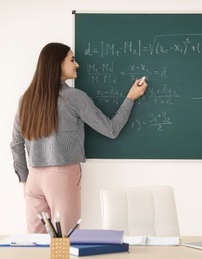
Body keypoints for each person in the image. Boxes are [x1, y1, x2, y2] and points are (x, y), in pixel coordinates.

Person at [10, 42, 147, 234]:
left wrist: (24, 180)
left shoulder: (26, 99)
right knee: (66, 239)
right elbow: (111, 130)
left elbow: (16, 143)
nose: (77, 65)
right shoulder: (73, 97)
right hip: (61, 176)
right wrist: (130, 98)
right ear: (57, 63)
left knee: (36, 243)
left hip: (34, 177)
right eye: (72, 60)